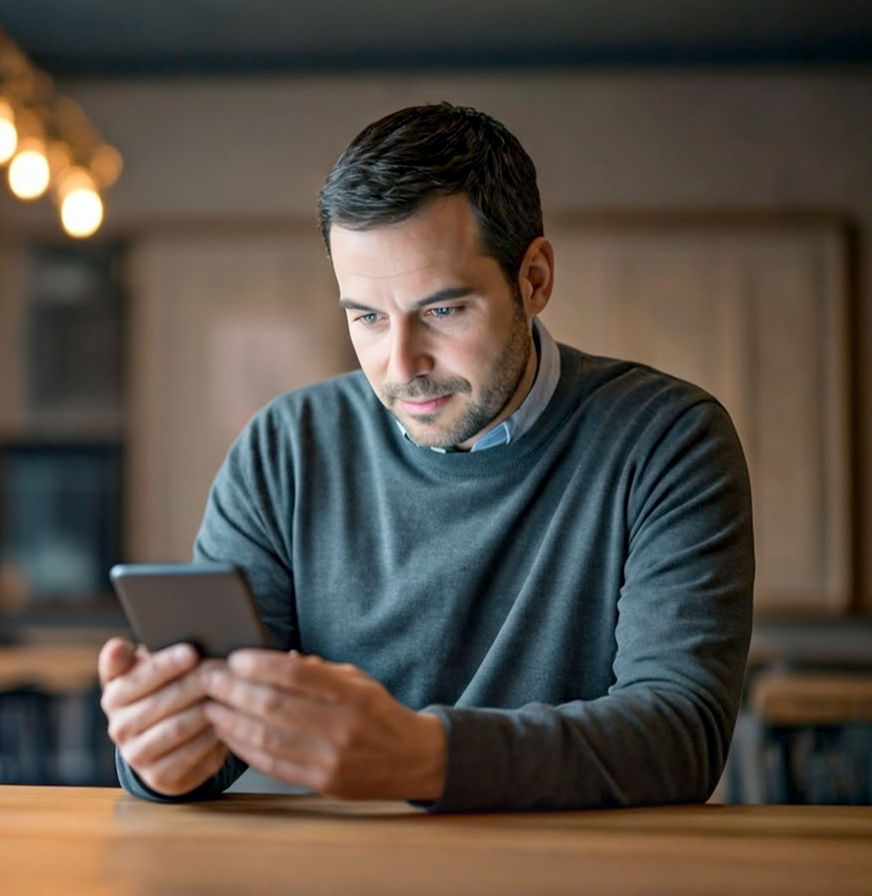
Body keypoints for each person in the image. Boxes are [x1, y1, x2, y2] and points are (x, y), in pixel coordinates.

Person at [97, 103, 754, 811]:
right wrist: (165, 755)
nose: (401, 363)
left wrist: (422, 758)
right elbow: (212, 727)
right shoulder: (285, 448)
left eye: (442, 311)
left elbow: (679, 736)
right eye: (367, 317)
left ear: (533, 279)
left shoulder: (668, 439)